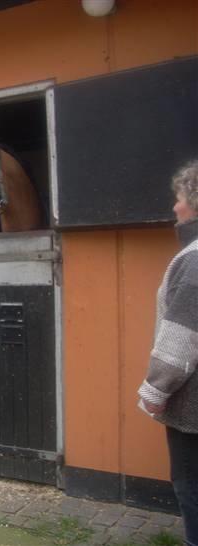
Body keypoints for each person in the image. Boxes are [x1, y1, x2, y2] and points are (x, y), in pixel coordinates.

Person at [138, 160, 198, 545]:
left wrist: (153, 392)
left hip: (194, 409)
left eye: (178, 198)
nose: (174, 207)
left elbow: (181, 338)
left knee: (191, 488)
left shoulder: (194, 260)